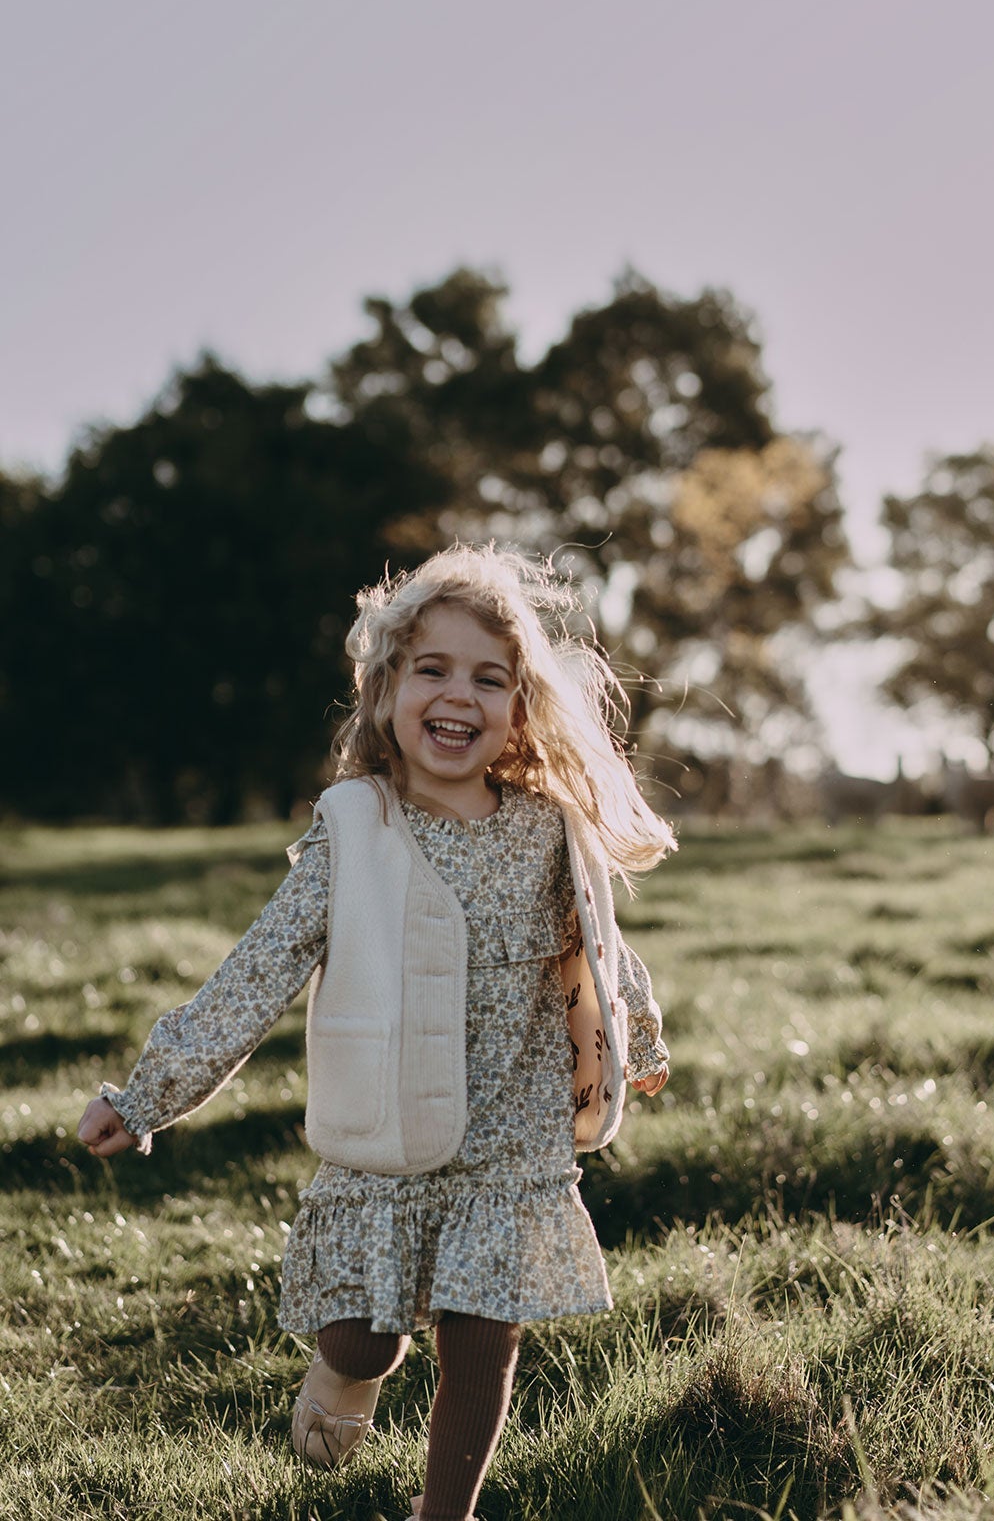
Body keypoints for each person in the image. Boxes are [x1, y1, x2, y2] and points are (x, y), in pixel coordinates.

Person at [77, 544, 672, 1521]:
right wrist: (149, 1097)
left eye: (491, 678)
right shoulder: (353, 830)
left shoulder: (540, 830)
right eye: (431, 669)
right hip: (386, 1134)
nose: (458, 695)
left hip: (508, 1143)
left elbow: (601, 948)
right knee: (368, 1338)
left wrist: (636, 1039)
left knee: (485, 1338)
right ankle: (343, 1370)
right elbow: (256, 972)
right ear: (385, 690)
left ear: (521, 708)